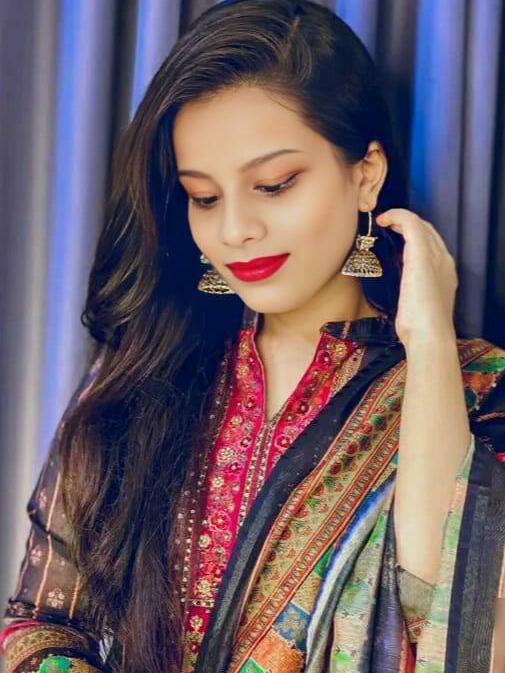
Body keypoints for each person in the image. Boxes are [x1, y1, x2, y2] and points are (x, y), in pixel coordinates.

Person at [2, 1, 505, 672]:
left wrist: (430, 344)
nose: (235, 230)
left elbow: (451, 626)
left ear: (365, 174)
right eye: (204, 197)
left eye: (273, 185)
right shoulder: (144, 372)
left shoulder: (476, 388)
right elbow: (38, 625)